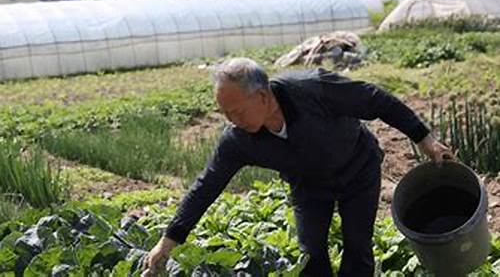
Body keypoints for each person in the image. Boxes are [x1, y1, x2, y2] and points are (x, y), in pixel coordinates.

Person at [142, 58, 454, 277]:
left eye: (235, 111)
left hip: (358, 169)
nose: (230, 120)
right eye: (225, 113)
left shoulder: (312, 89)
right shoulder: (238, 140)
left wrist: (424, 139)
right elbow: (206, 186)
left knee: (357, 249)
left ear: (262, 97)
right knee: (310, 255)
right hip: (309, 186)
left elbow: (377, 100)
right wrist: (167, 242)